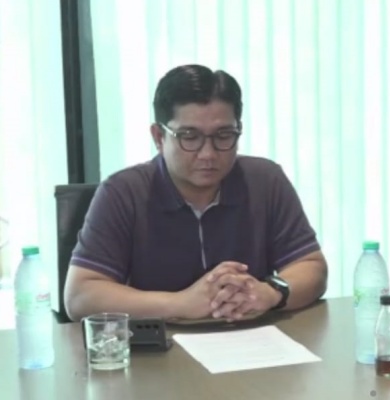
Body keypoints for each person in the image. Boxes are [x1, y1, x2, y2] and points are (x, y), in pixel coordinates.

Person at [64, 64, 328, 322]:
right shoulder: (123, 192)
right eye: (189, 137)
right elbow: (80, 296)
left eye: (223, 135)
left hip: (252, 338)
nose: (208, 154)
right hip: (159, 346)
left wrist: (270, 293)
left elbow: (311, 267)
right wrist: (181, 304)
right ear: (159, 137)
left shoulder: (265, 180)